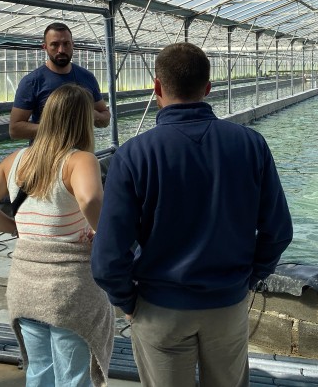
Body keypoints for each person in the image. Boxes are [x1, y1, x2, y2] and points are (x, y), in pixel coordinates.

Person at [91, 42, 294, 387]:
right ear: (208, 89)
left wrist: (127, 300)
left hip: (160, 309)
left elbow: (108, 257)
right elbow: (278, 230)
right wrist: (248, 277)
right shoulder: (251, 144)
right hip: (227, 304)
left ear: (157, 87)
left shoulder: (133, 155)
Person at [0, 83, 115, 387]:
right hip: (69, 292)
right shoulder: (80, 160)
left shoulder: (15, 160)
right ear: (82, 120)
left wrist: (18, 229)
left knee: (39, 372)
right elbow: (90, 200)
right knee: (72, 378)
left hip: (25, 287)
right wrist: (103, 233)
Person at [9, 22, 110, 141]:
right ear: (45, 47)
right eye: (54, 45)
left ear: (73, 44)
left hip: (81, 155)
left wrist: (92, 115)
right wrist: (58, 127)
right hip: (47, 157)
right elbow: (15, 130)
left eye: (66, 44)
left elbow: (105, 119)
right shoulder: (32, 82)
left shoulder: (87, 77)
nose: (61, 50)